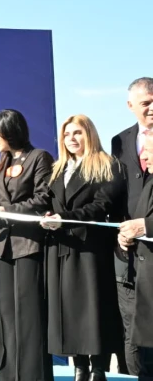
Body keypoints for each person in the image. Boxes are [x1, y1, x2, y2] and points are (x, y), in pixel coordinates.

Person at [40, 114, 124, 381]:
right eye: (66, 134)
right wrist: (47, 217)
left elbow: (101, 205)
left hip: (90, 248)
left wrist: (64, 219)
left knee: (93, 308)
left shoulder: (107, 165)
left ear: (89, 134)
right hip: (60, 246)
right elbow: (48, 202)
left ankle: (98, 368)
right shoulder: (57, 169)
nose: (71, 139)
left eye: (77, 133)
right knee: (68, 310)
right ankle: (79, 367)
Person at [0, 109, 55, 381]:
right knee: (7, 315)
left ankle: (33, 375)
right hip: (3, 246)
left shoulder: (39, 157)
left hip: (28, 245)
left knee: (29, 314)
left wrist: (6, 210)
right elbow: (0, 199)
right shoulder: (2, 162)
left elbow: (43, 198)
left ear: (10, 131)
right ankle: (9, 374)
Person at [110, 76, 153, 376]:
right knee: (134, 332)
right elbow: (117, 193)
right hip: (129, 255)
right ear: (130, 106)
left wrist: (146, 225)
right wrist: (120, 231)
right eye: (146, 103)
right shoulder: (120, 141)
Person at [119, 131, 153, 381]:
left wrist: (146, 227)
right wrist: (126, 237)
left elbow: (145, 223)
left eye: (150, 151)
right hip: (141, 275)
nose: (144, 156)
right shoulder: (148, 183)